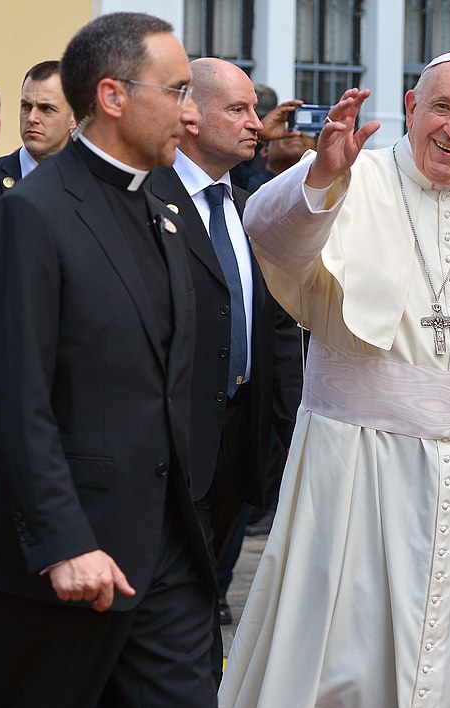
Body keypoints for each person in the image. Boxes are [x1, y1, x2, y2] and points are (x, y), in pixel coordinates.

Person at [217, 49, 450, 708]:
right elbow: (269, 235)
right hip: (354, 469)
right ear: (410, 108)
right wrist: (321, 172)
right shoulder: (355, 179)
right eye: (441, 108)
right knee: (344, 654)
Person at [0, 13, 217, 708]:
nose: (190, 114)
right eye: (178, 90)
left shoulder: (162, 203)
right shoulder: (32, 215)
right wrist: (64, 542)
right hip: (70, 556)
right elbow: (15, 395)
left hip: (167, 552)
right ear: (112, 95)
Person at [145, 57, 302, 634]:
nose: (256, 124)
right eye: (237, 110)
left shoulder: (242, 206)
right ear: (190, 116)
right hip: (168, 442)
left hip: (237, 439)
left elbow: (275, 323)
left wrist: (284, 432)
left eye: (254, 111)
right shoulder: (147, 199)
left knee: (201, 595)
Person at [0, 60, 74, 200]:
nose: (32, 118)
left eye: (46, 109)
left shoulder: (97, 184)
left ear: (75, 117)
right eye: (26, 106)